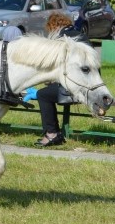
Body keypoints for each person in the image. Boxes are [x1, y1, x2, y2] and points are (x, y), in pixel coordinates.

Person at [23, 12, 89, 147]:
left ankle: (52, 134)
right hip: (88, 82)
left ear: (54, 27)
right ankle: (55, 133)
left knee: (43, 95)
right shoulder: (78, 35)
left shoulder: (63, 39)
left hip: (78, 86)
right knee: (47, 92)